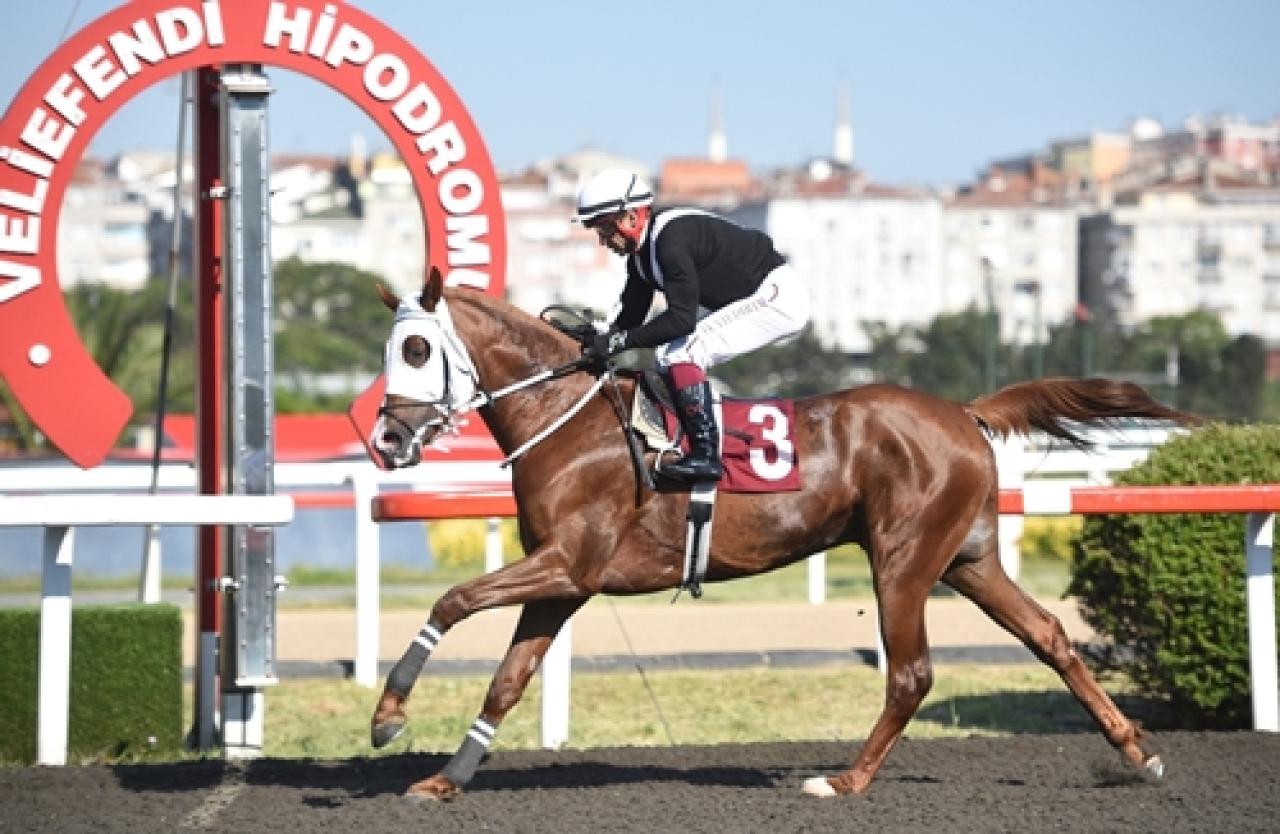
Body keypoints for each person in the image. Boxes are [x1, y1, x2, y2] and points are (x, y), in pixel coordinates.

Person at [573, 167, 811, 483]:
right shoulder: (642, 258)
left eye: (604, 230)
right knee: (666, 356)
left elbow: (681, 320)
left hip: (778, 296)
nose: (604, 242)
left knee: (680, 353)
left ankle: (705, 455)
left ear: (631, 218)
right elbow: (629, 317)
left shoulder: (670, 240)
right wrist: (595, 337)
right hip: (764, 294)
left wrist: (620, 342)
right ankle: (691, 442)